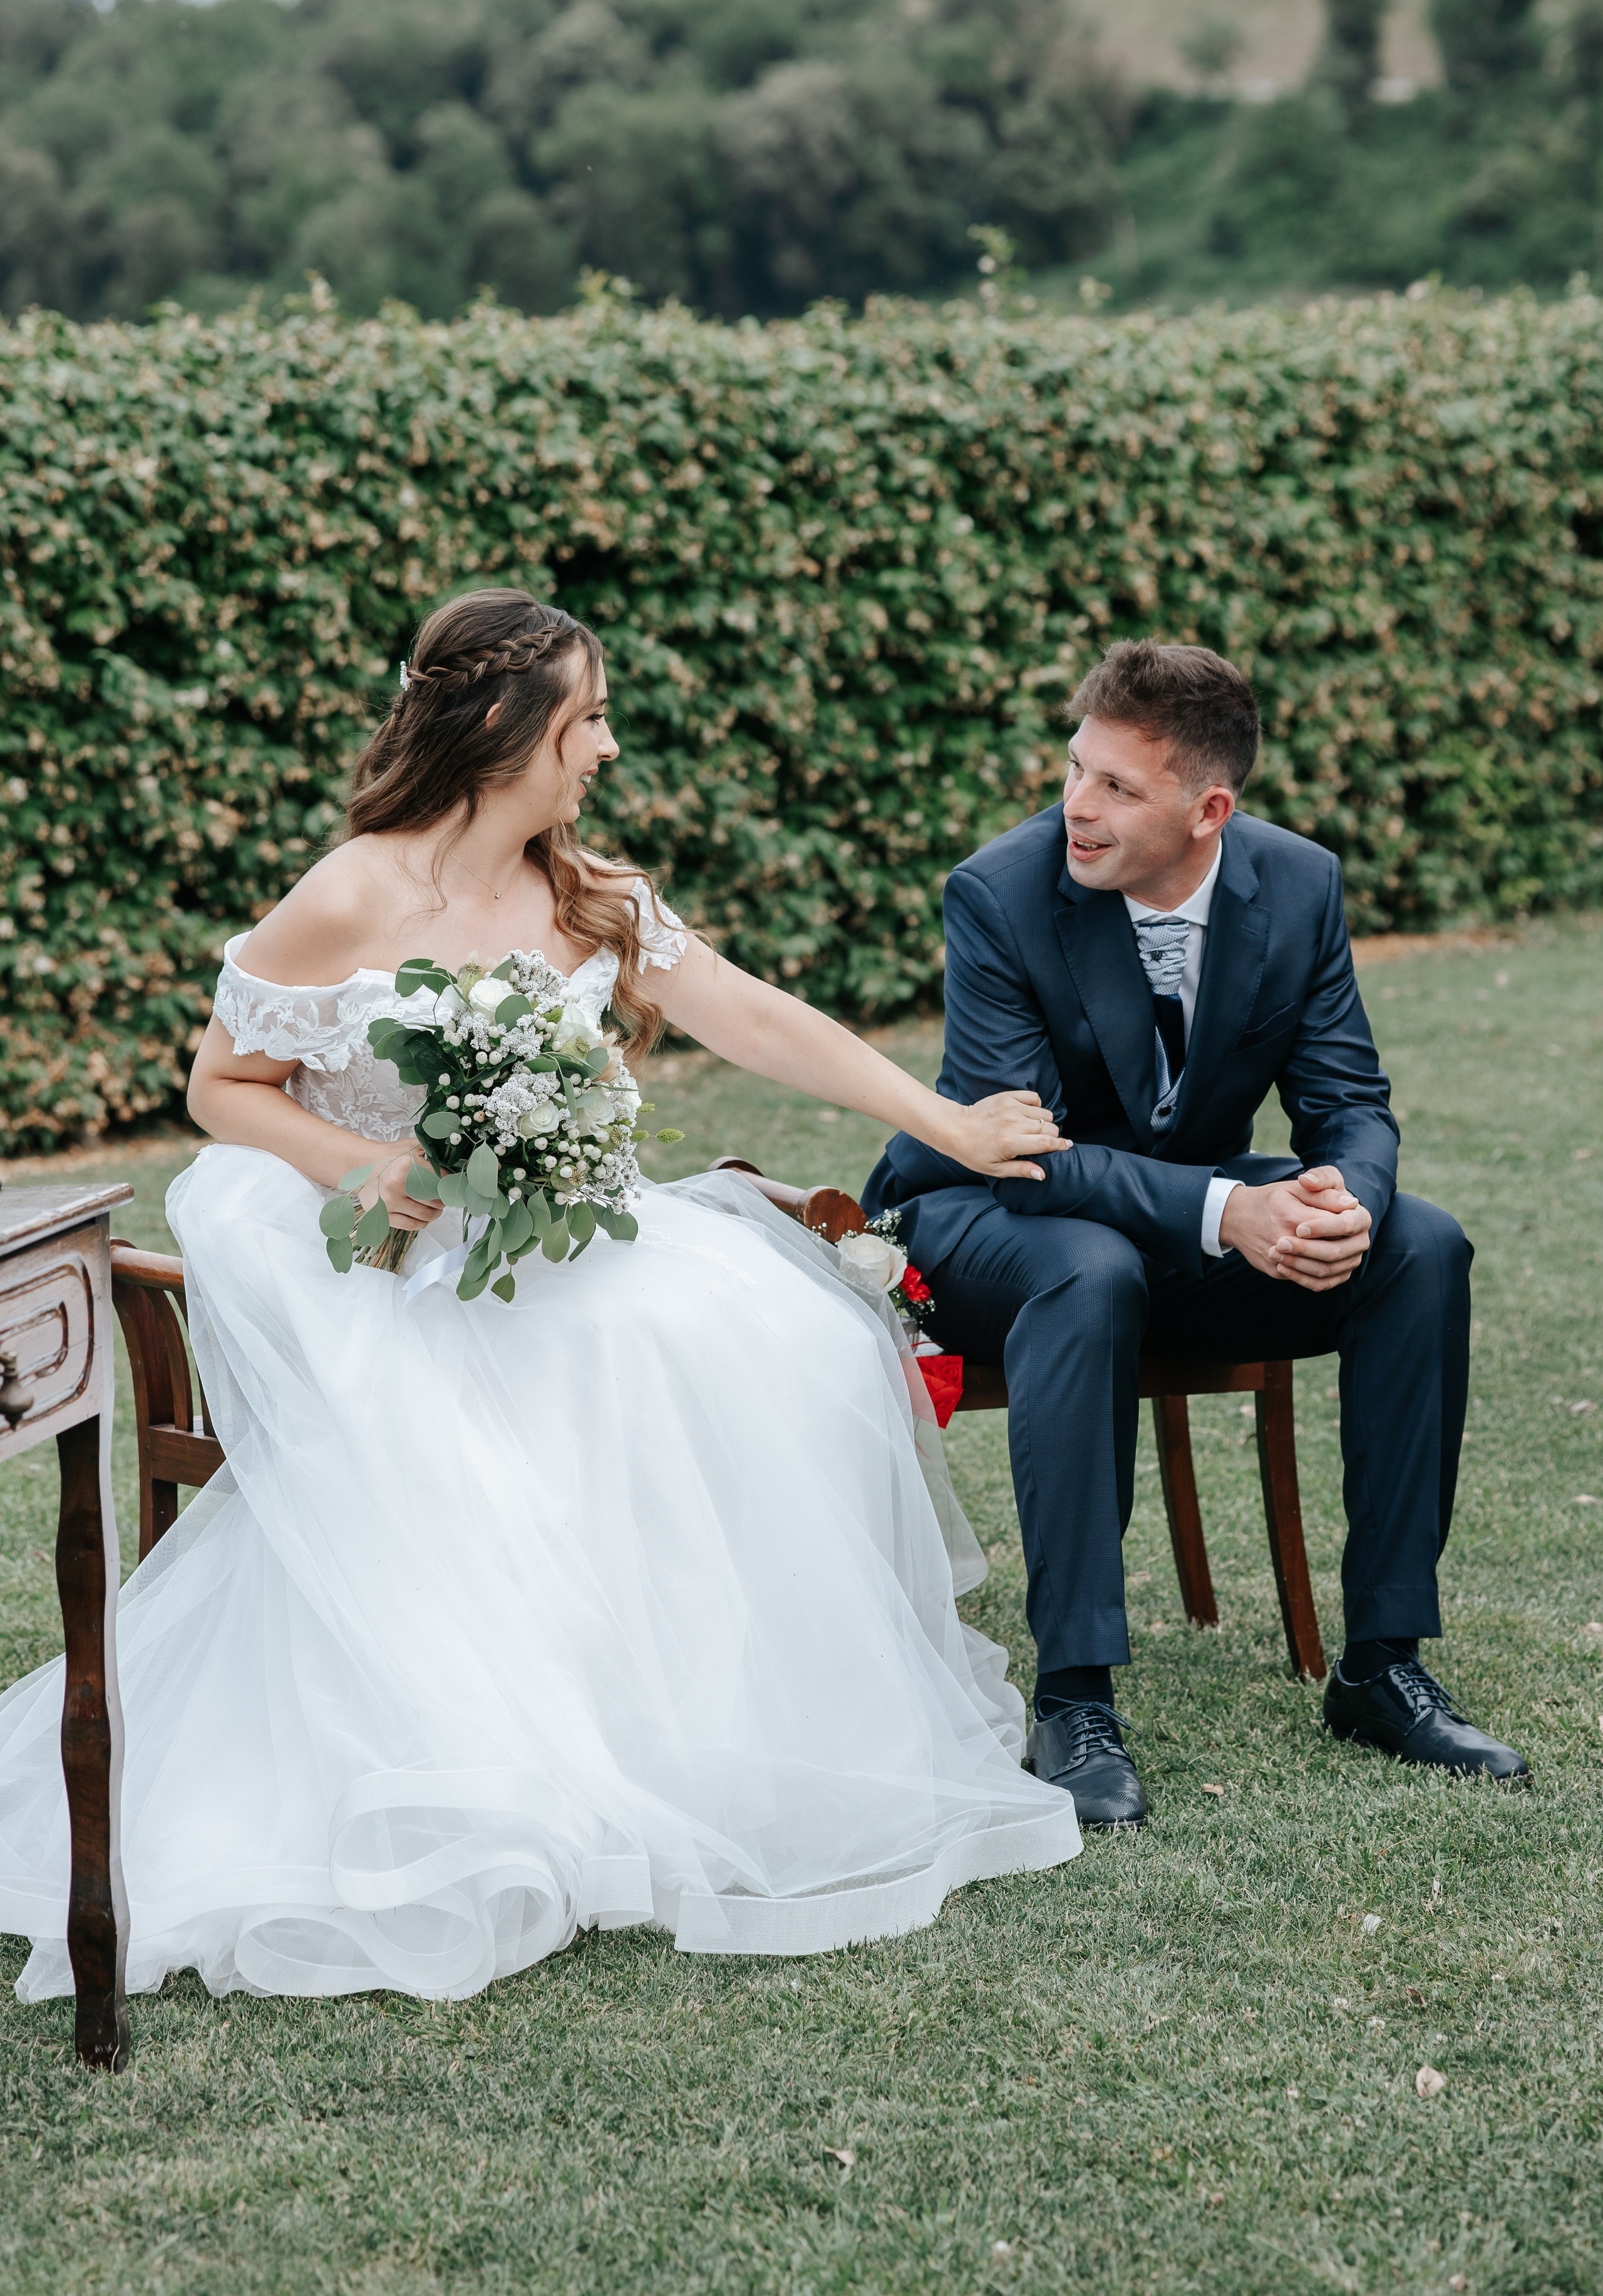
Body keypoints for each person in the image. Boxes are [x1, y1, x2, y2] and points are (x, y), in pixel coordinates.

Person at [0, 591, 1083, 2004]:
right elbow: (219, 1085)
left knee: (750, 1337)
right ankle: (519, 1767)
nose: (608, 748)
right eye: (588, 721)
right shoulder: (351, 892)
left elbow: (754, 1015)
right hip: (386, 1256)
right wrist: (369, 1165)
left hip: (550, 1237)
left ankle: (702, 1739)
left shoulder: (592, 896)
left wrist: (942, 1122)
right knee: (561, 1374)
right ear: (508, 730)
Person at [865, 639, 1528, 1828]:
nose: (1078, 803)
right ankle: (1074, 1697)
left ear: (1209, 808)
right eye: (1076, 769)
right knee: (1089, 1264)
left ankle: (1380, 1667)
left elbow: (1348, 1103)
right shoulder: (1000, 893)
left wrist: (1344, 1204)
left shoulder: (1300, 883)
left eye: (1119, 786)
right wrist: (1233, 1211)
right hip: (988, 1219)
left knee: (1421, 1246)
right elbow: (1022, 1151)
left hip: (1165, 1225)